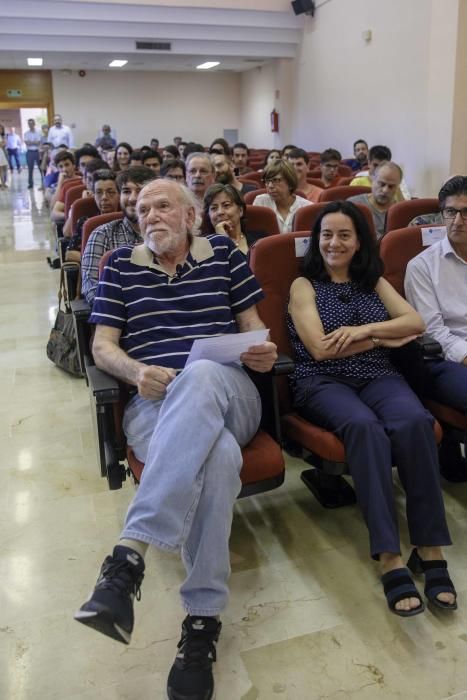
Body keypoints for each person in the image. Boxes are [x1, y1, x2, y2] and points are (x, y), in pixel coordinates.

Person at [74, 178, 277, 700]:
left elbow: (255, 329)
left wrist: (262, 352)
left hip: (231, 393)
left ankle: (129, 554)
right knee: (219, 459)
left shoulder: (226, 259)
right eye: (142, 209)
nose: (150, 215)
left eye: (163, 205)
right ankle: (202, 623)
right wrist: (136, 371)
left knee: (201, 375)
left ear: (191, 216)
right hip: (153, 404)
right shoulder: (120, 264)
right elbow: (101, 347)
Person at [287, 200, 457, 616]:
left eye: (345, 234)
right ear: (316, 240)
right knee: (364, 427)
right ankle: (388, 555)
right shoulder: (303, 286)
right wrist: (387, 335)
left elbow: (414, 324)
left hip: (378, 374)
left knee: (417, 420)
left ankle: (429, 547)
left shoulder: (373, 281)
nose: (334, 242)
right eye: (326, 234)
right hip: (321, 380)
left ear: (360, 241)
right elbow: (320, 349)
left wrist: (367, 334)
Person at [405, 176, 467, 480]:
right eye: (451, 212)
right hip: (444, 359)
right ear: (441, 215)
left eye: (466, 212)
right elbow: (434, 332)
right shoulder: (422, 266)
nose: (458, 220)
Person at [81, 165, 157, 304]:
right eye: (126, 191)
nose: (133, 198)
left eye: (140, 191)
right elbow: (92, 290)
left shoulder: (167, 234)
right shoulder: (102, 234)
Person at [202, 183, 267, 255]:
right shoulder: (200, 248)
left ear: (240, 210)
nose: (220, 212)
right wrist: (221, 240)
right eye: (214, 208)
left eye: (226, 205)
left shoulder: (261, 240)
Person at [348, 161, 403, 240]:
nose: (385, 190)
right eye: (381, 184)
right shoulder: (353, 205)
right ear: (372, 180)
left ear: (398, 187)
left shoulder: (400, 212)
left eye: (391, 186)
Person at [252, 159, 309, 233]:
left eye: (276, 180)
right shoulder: (260, 202)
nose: (270, 186)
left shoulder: (306, 207)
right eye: (267, 181)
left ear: (290, 183)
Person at [23, 118, 42, 188]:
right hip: (29, 153)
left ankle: (43, 183)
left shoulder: (38, 132)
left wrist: (31, 142)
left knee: (41, 168)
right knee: (30, 169)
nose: (30, 125)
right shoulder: (26, 133)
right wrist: (34, 142)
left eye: (32, 123)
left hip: (37, 152)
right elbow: (27, 143)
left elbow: (38, 142)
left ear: (34, 124)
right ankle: (30, 184)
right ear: (28, 125)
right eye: (29, 124)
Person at [0, 124, 9, 188]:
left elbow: (4, 144)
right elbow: (2, 144)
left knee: (5, 169)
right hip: (0, 153)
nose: (1, 130)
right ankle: (2, 184)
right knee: (1, 170)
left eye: (2, 129)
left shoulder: (3, 136)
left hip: (4, 152)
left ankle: (4, 183)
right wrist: (3, 142)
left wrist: (4, 142)